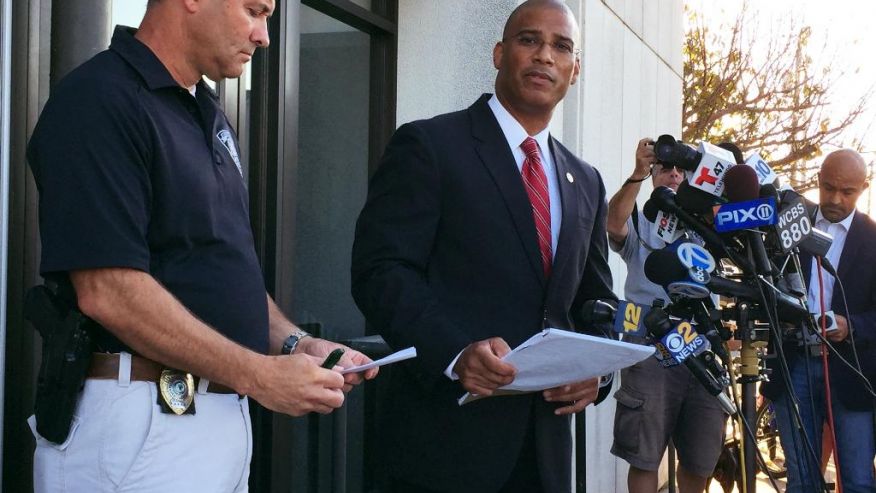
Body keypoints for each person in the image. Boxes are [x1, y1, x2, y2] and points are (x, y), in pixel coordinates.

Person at [25, 1, 376, 491]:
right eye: (255, 11)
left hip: (216, 417)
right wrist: (259, 375)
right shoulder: (99, 98)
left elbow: (222, 273)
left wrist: (298, 344)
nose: (264, 36)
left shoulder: (207, 112)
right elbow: (108, 290)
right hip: (141, 421)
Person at [350, 1, 615, 492]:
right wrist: (454, 352)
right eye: (528, 40)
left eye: (561, 47)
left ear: (574, 71)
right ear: (498, 53)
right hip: (442, 446)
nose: (544, 56)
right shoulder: (429, 146)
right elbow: (381, 271)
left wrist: (596, 376)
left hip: (546, 453)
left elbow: (595, 301)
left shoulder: (588, 182)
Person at [605, 139, 727, 493]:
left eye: (681, 170)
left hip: (702, 345)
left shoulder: (706, 224)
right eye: (664, 169)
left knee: (701, 456)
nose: (673, 174)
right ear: (655, 176)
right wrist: (638, 174)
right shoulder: (640, 222)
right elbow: (614, 225)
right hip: (651, 343)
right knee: (644, 456)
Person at [761, 149, 876, 493]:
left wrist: (849, 325)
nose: (835, 199)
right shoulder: (789, 225)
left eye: (847, 192)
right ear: (818, 182)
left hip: (851, 370)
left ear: (863, 189)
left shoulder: (873, 240)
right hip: (793, 360)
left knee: (857, 479)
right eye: (828, 188)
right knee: (801, 480)